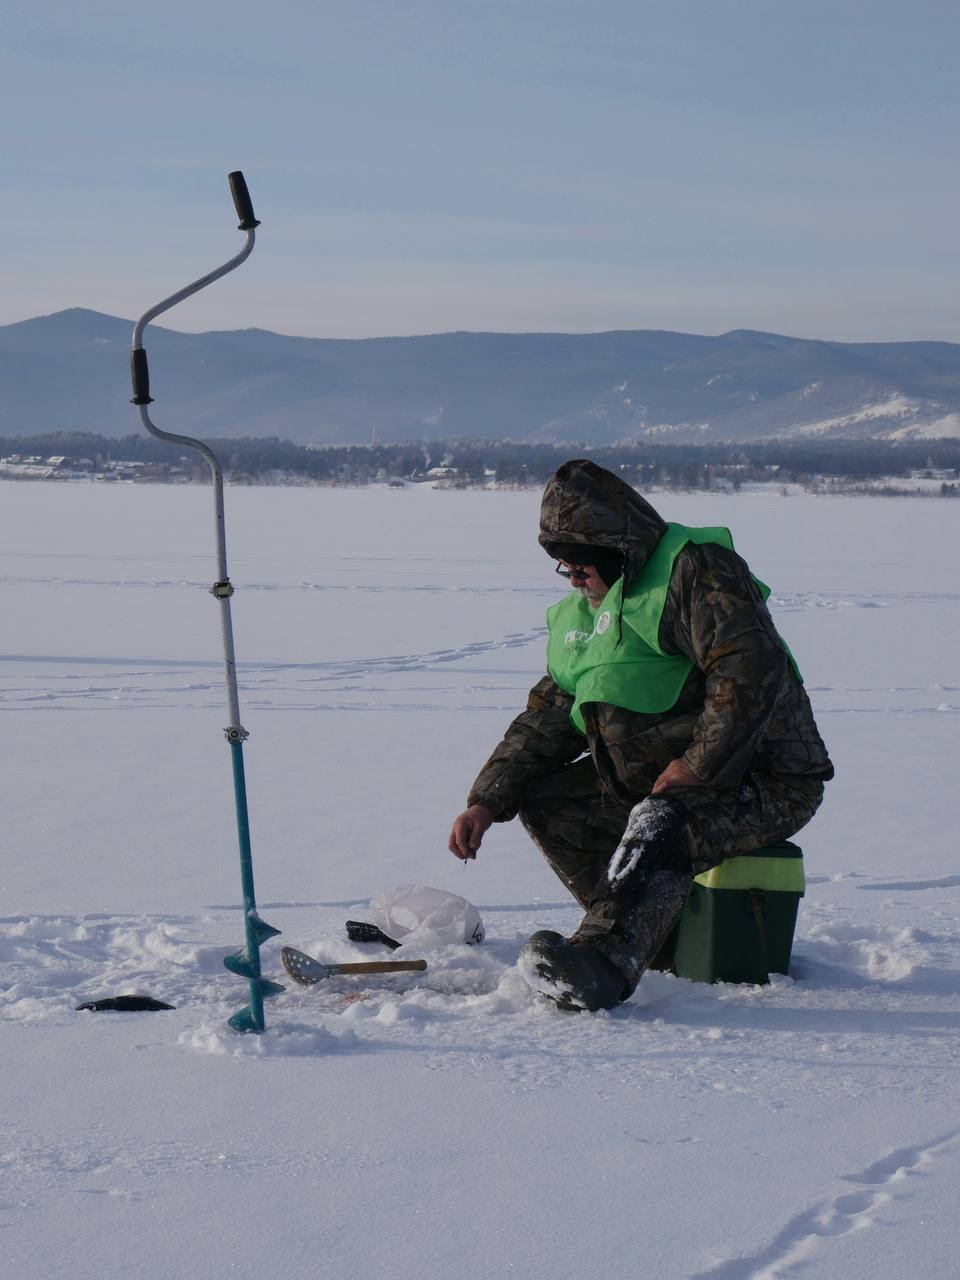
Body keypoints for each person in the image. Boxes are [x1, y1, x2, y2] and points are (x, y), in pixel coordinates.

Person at [448, 459, 833, 1012]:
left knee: (664, 820)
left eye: (582, 564)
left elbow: (747, 668)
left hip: (764, 781)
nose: (574, 578)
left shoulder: (696, 571)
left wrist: (700, 765)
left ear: (619, 549)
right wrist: (486, 800)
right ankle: (653, 943)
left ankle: (603, 963)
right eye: (564, 567)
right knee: (552, 801)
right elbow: (552, 712)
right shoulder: (588, 613)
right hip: (659, 783)